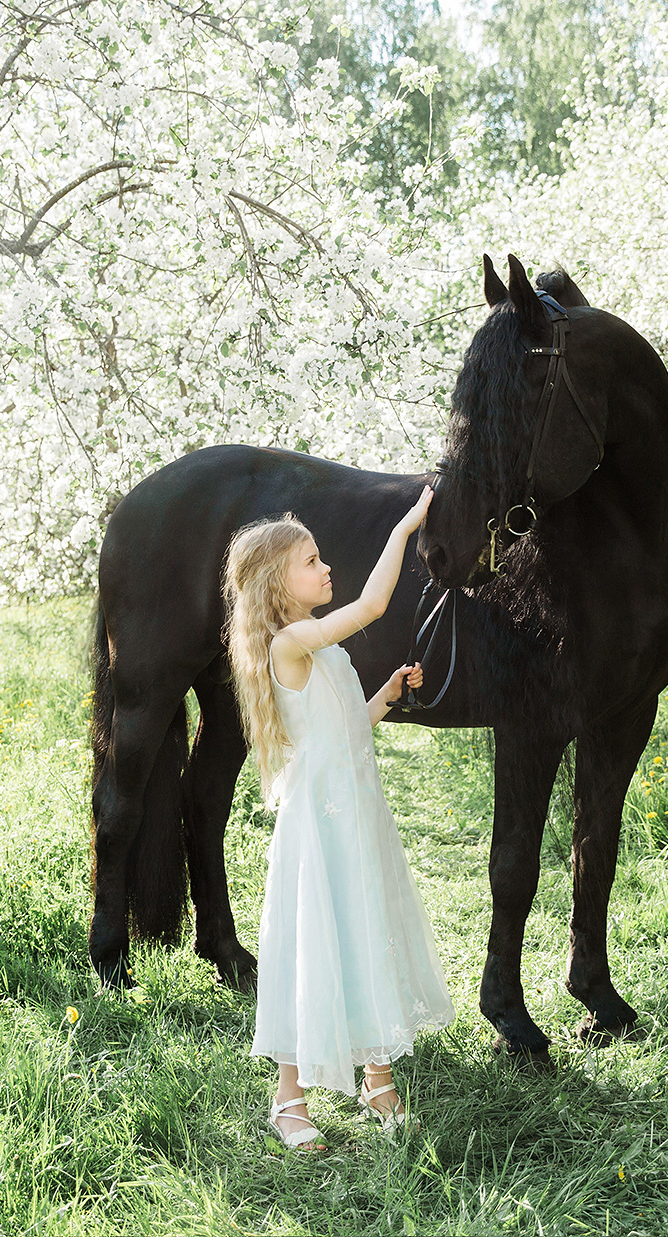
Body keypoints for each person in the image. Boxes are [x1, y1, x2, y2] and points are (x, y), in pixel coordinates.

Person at [222, 488, 456, 1152]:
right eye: (311, 561)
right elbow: (374, 604)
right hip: (319, 833)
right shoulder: (291, 642)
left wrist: (384, 695)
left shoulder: (329, 656)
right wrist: (408, 526)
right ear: (277, 585)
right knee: (314, 946)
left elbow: (346, 728)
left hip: (358, 822)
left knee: (365, 931)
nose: (326, 569)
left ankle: (377, 1076)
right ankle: (288, 1097)